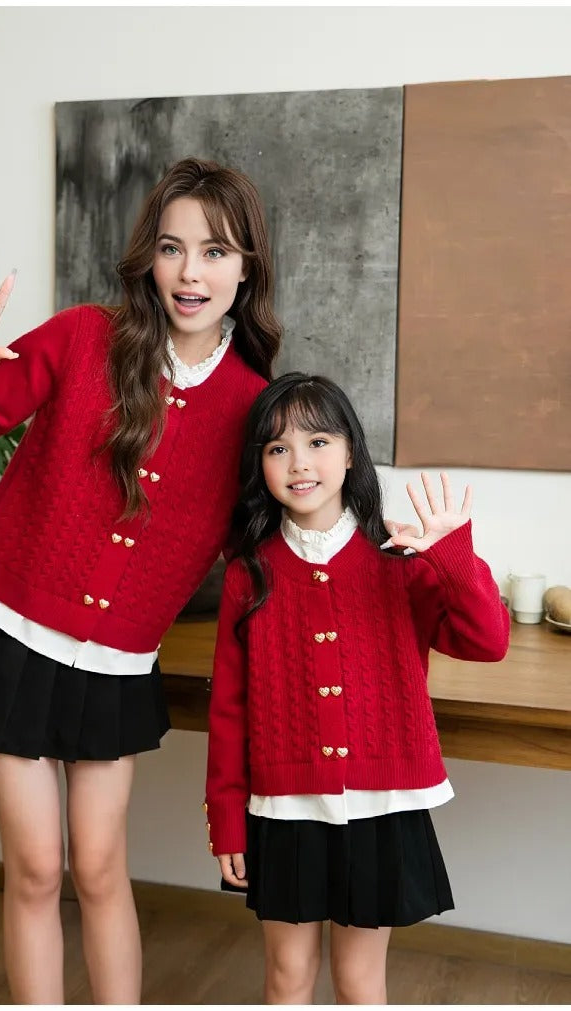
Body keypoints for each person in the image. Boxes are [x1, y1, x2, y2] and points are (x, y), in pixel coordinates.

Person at [0, 157, 281, 1004]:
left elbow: (262, 553)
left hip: (116, 664)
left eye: (215, 252)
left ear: (246, 268)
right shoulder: (85, 337)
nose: (191, 273)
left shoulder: (252, 408)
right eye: (172, 248)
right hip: (10, 631)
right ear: (149, 257)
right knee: (38, 867)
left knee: (104, 865)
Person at [204, 373, 509, 1005]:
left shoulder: (400, 558)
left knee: (360, 980)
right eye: (277, 447)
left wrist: (451, 555)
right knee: (286, 976)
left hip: (382, 805)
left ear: (351, 452)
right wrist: (227, 821)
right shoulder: (248, 574)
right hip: (284, 809)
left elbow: (487, 642)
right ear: (258, 463)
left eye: (318, 441)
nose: (300, 463)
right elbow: (228, 711)